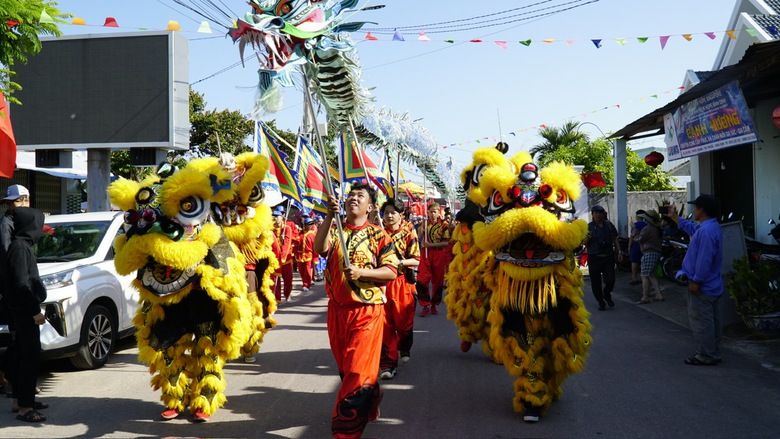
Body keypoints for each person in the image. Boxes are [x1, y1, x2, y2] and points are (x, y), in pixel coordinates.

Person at [313, 182, 399, 439]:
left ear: (370, 207)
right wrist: (329, 215)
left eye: (360, 196)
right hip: (337, 311)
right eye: (351, 194)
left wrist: (362, 273)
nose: (353, 198)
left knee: (358, 373)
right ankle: (371, 395)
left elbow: (391, 272)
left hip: (367, 312)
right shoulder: (336, 229)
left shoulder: (378, 236)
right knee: (347, 370)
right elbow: (319, 249)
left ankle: (345, 432)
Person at [664, 195, 724, 366]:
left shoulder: (706, 231)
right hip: (712, 283)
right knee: (711, 320)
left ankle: (707, 355)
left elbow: (704, 260)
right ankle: (713, 351)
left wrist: (696, 281)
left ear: (702, 210)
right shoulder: (710, 227)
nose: (694, 210)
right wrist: (675, 218)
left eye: (696, 208)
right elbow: (692, 229)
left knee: (702, 321)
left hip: (703, 285)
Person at [6, 207, 48, 422]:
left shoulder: (21, 246)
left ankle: (23, 400)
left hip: (22, 309)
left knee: (23, 355)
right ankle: (25, 408)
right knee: (30, 356)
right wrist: (34, 311)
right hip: (24, 311)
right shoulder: (20, 248)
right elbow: (21, 284)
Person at [378, 198, 420, 380]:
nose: (388, 216)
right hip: (383, 283)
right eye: (386, 213)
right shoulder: (378, 232)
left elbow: (417, 259)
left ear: (401, 214)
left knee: (403, 325)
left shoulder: (409, 232)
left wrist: (400, 262)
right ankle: (388, 365)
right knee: (385, 326)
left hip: (402, 283)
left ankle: (405, 346)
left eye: (392, 213)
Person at [0, 185, 31, 398]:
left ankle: (18, 383)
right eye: (18, 201)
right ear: (9, 204)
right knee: (16, 339)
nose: (21, 204)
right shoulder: (6, 224)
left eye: (25, 200)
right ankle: (10, 382)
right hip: (9, 289)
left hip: (17, 287)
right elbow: (7, 259)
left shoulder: (23, 222)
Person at [583, 205, 621, 311]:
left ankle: (607, 294)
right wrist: (588, 238)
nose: (598, 215)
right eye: (596, 213)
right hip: (594, 257)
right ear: (592, 214)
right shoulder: (588, 227)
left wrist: (619, 251)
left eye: (600, 212)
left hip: (608, 256)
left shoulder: (608, 225)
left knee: (610, 280)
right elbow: (583, 243)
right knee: (596, 282)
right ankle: (600, 301)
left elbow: (615, 238)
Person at [416, 202, 451, 317]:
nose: (432, 214)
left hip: (438, 253)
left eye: (434, 211)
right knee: (422, 279)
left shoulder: (444, 225)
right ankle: (425, 305)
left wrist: (430, 245)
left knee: (438, 280)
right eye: (430, 212)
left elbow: (446, 242)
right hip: (425, 254)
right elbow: (418, 236)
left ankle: (434, 305)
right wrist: (422, 227)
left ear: (438, 212)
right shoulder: (425, 223)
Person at [635, 210, 665, 304]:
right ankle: (658, 294)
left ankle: (645, 297)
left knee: (644, 276)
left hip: (649, 252)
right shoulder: (657, 229)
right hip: (656, 252)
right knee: (651, 275)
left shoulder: (647, 228)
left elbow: (640, 239)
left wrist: (635, 235)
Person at [273, 205, 296, 304]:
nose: (275, 218)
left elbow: (287, 244)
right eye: (274, 215)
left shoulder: (287, 228)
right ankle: (277, 299)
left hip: (286, 259)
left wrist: (282, 258)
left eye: (277, 216)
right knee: (276, 280)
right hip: (274, 259)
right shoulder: (271, 228)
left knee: (288, 279)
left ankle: (287, 294)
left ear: (282, 216)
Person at [296, 216, 318, 292]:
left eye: (311, 224)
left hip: (308, 255)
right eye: (308, 224)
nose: (310, 226)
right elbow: (295, 244)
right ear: (305, 225)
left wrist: (315, 258)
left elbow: (315, 247)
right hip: (299, 256)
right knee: (301, 271)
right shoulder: (299, 233)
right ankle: (304, 282)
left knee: (307, 271)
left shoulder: (312, 235)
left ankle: (306, 285)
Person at [629, 210, 647, 285]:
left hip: (636, 245)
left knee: (634, 261)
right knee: (643, 263)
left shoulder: (635, 225)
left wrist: (629, 246)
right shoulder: (646, 225)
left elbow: (632, 236)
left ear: (637, 216)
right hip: (645, 245)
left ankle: (634, 278)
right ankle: (642, 278)